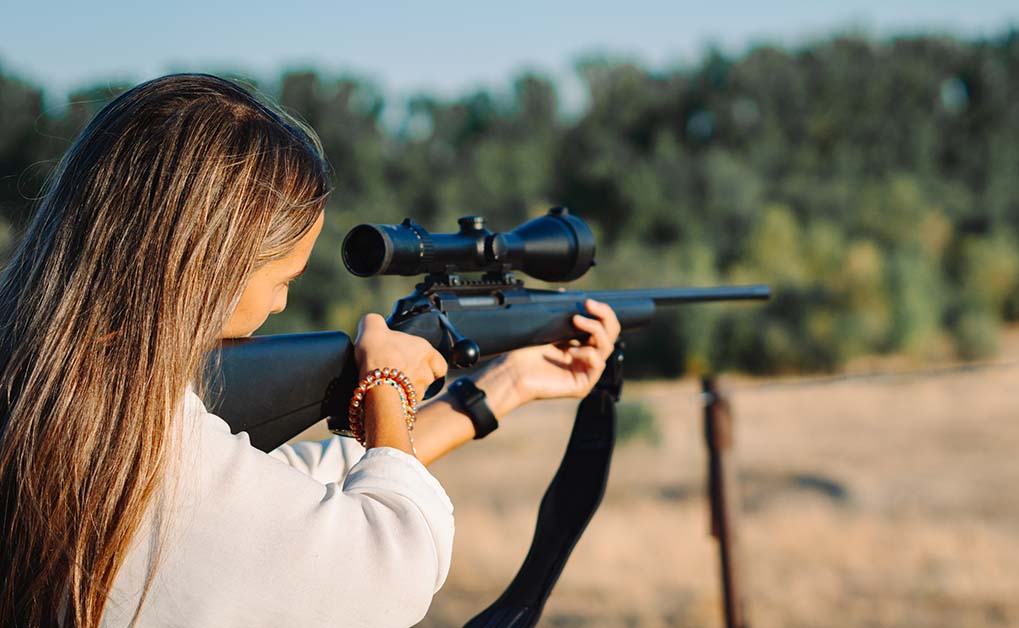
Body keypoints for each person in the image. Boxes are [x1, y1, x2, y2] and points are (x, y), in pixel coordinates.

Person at [0, 74, 620, 628]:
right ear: (211, 265)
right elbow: (395, 564)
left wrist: (502, 387)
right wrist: (388, 388)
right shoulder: (157, 459)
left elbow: (283, 486)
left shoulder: (69, 410)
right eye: (284, 279)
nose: (278, 306)